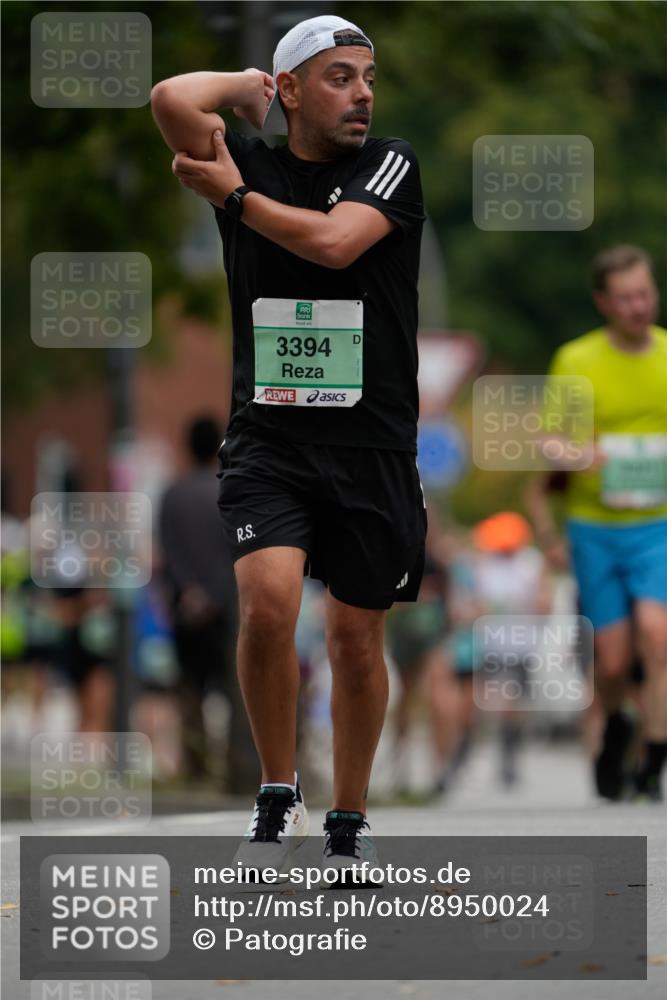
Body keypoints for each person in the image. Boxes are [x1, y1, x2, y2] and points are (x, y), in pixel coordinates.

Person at [151, 15, 426, 877]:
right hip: (270, 437)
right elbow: (167, 99)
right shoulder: (258, 153)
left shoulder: (388, 163)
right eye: (340, 77)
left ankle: (350, 818)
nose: (363, 94)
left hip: (372, 444)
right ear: (296, 90)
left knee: (353, 639)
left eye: (368, 77)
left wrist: (231, 200)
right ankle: (278, 796)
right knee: (268, 605)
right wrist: (242, 87)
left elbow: (338, 245)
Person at [544, 245, 667, 801]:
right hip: (594, 525)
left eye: (645, 293)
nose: (638, 306)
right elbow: (547, 440)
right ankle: (617, 728)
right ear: (603, 303)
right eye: (625, 298)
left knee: (658, 637)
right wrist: (576, 455)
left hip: (657, 521)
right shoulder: (576, 360)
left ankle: (655, 756)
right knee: (614, 659)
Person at [158, 416, 238, 782]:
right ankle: (235, 766)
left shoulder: (172, 494)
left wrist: (189, 590)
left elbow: (168, 551)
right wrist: (215, 595)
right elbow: (232, 551)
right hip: (224, 610)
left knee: (189, 690)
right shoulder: (228, 491)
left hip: (183, 608)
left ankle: (196, 767)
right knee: (233, 689)